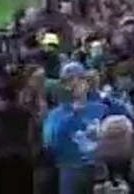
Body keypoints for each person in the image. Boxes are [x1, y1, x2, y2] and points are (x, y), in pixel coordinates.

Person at [42, 61, 109, 194]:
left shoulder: (100, 107)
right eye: (68, 81)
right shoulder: (55, 115)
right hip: (69, 169)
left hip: (98, 169)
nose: (74, 84)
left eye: (79, 79)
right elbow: (51, 142)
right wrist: (73, 114)